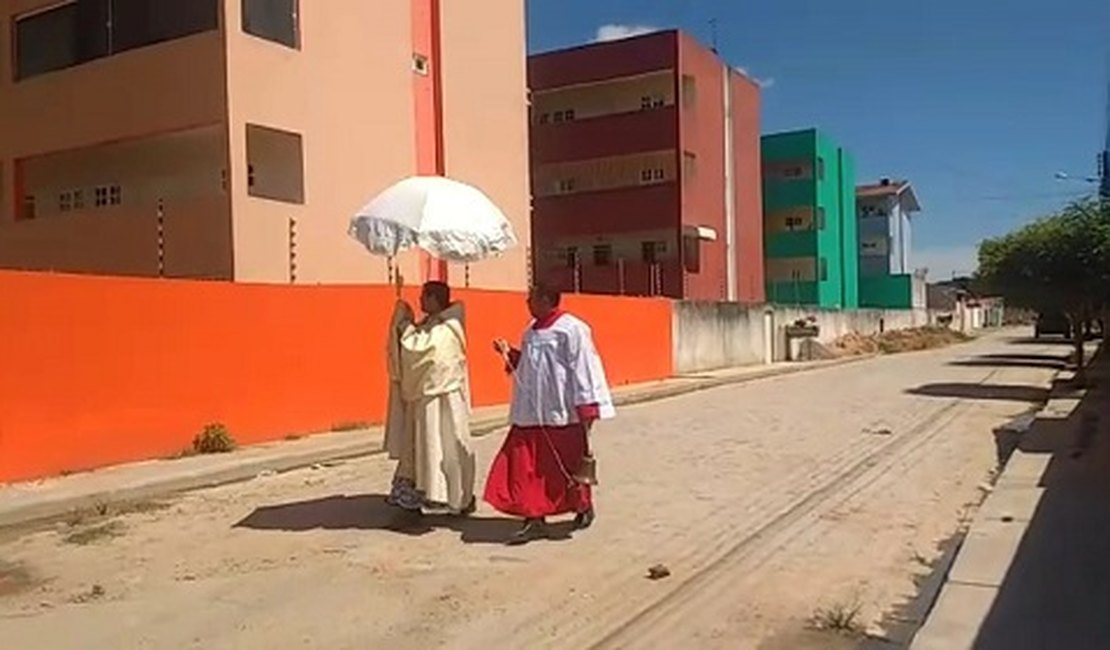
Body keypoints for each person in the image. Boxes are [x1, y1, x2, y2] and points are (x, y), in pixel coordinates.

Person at [484, 283, 615, 544]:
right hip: (531, 412)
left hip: (562, 413)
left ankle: (582, 505)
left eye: (531, 299)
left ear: (545, 299)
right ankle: (533, 517)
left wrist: (587, 407)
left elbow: (584, 367)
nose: (527, 304)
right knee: (526, 466)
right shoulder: (530, 332)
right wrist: (509, 353)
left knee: (567, 466)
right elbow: (531, 367)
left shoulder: (573, 329)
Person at [383, 278, 476, 516]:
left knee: (445, 445)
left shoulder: (447, 328)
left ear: (435, 299)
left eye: (425, 296)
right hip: (425, 398)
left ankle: (453, 496)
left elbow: (425, 354)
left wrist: (404, 327)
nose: (421, 300)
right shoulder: (431, 324)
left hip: (442, 397)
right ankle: (422, 495)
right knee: (422, 447)